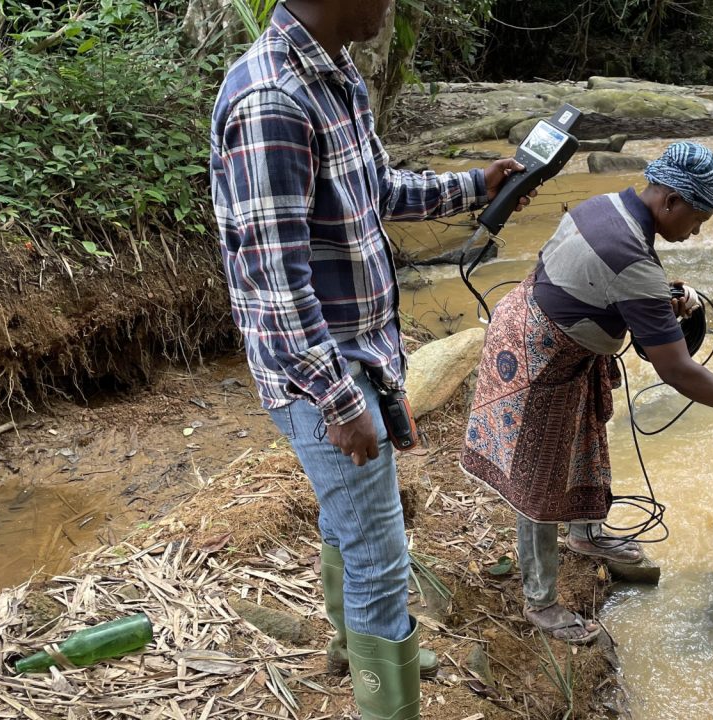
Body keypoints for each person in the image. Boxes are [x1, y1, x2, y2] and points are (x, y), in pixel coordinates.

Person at [209, 1, 531, 717]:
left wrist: (475, 185)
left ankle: (347, 653)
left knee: (349, 526)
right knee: (382, 565)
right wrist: (340, 401)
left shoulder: (336, 73)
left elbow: (375, 191)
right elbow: (276, 282)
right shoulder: (274, 101)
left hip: (353, 352)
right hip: (319, 368)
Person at [460, 141, 713, 644]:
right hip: (540, 360)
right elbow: (679, 371)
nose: (696, 233)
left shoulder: (605, 206)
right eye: (699, 219)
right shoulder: (634, 263)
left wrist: (661, 296)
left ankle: (585, 534)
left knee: (583, 439)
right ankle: (541, 603)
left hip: (538, 329)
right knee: (537, 478)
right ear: (671, 201)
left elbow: (601, 277)